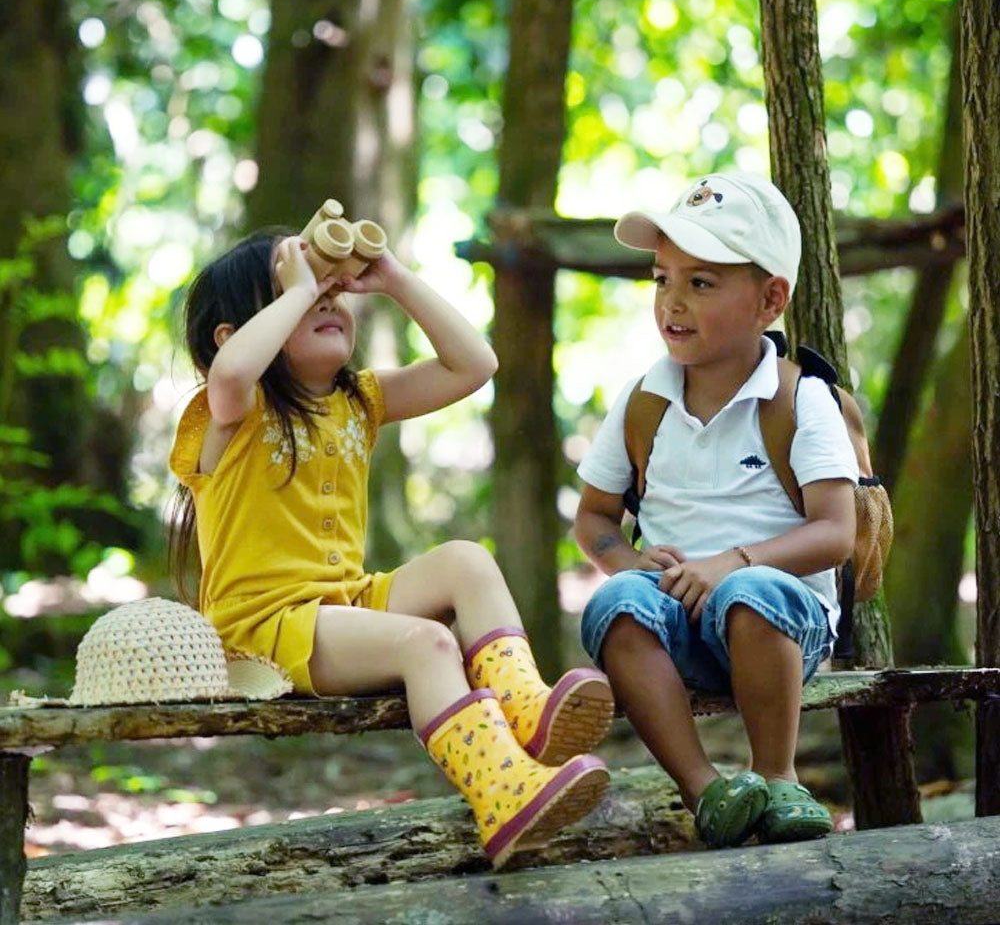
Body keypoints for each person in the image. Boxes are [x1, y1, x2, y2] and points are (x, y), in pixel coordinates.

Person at [169, 228, 613, 867]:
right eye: (289, 283)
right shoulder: (234, 411)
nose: (321, 295)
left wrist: (395, 279)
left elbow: (475, 365)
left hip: (345, 603)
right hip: (264, 629)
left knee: (465, 558)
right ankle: (502, 795)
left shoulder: (358, 401)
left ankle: (525, 710)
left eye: (327, 287)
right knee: (427, 642)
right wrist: (302, 290)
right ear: (232, 332)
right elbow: (234, 369)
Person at [574, 172, 858, 848]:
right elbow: (594, 520)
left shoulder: (800, 400)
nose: (672, 302)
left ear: (769, 300)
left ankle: (779, 777)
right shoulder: (645, 398)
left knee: (751, 591)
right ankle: (707, 789)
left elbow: (837, 532)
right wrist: (630, 561)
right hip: (677, 625)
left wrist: (732, 562)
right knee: (611, 606)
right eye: (661, 279)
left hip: (782, 626)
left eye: (700, 283)